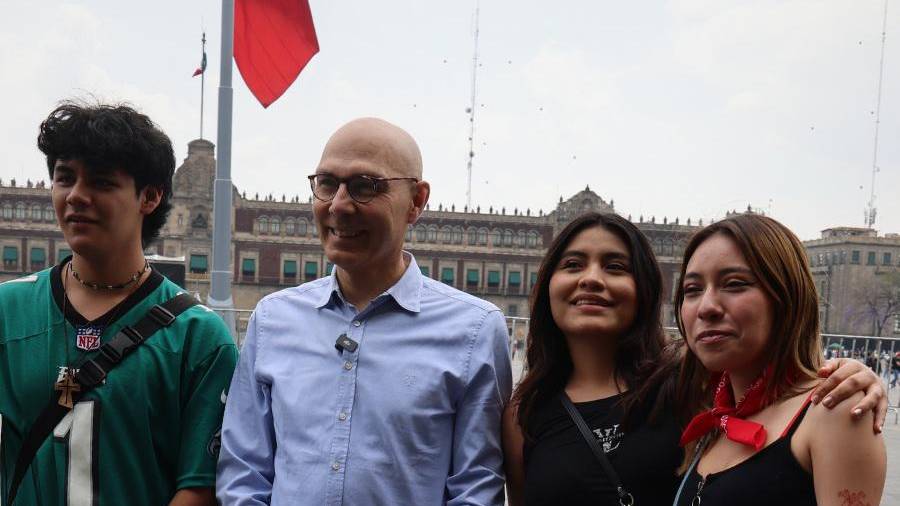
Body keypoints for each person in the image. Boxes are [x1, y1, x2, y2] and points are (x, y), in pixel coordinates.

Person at [216, 118, 512, 505]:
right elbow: (243, 472)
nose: (339, 205)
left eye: (364, 187)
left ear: (417, 202)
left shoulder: (475, 330)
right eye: (326, 183)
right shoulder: (272, 320)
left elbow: (476, 489)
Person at [502, 213, 887, 506]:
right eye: (692, 289)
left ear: (646, 289)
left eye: (616, 266)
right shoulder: (526, 411)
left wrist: (854, 378)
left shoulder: (685, 385)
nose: (591, 279)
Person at [0, 103, 238, 506]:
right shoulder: (9, 311)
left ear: (150, 196)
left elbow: (199, 488)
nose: (76, 196)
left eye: (101, 183)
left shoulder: (199, 338)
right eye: (65, 178)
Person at [674, 214, 885, 505]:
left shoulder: (834, 408)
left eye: (734, 284)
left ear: (787, 297)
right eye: (692, 290)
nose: (706, 306)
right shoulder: (711, 413)